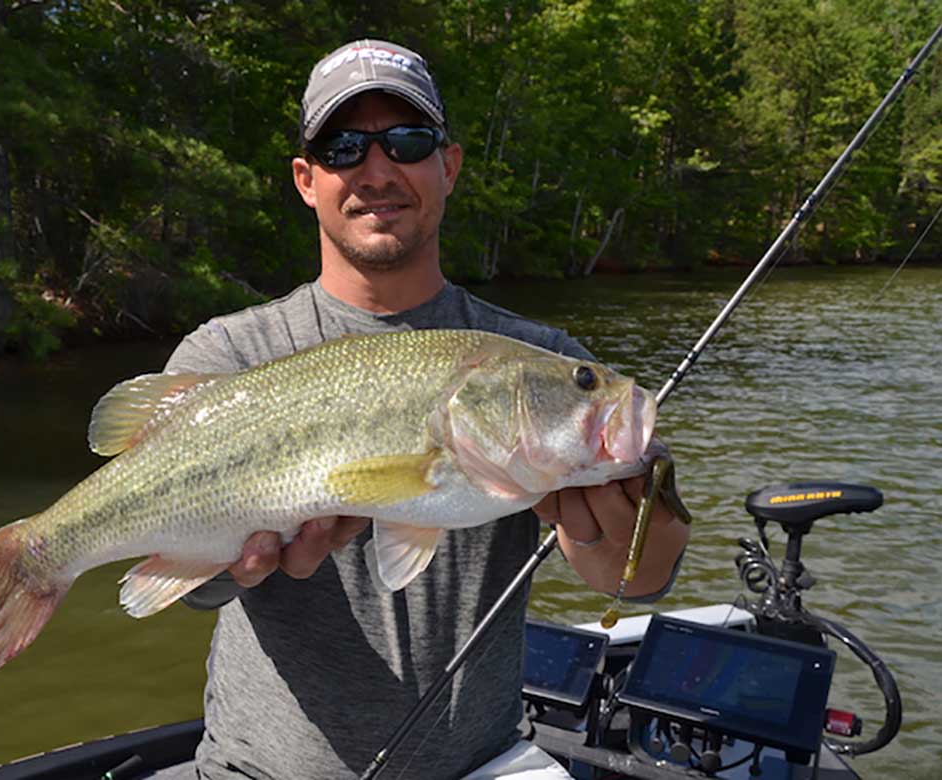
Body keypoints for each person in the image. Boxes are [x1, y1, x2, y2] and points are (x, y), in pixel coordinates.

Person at [157, 39, 690, 780]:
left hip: (484, 764)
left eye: (407, 142)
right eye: (345, 148)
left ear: (449, 166)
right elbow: (189, 583)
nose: (377, 172)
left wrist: (628, 519)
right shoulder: (231, 356)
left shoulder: (529, 354)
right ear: (307, 181)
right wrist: (237, 563)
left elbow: (633, 577)